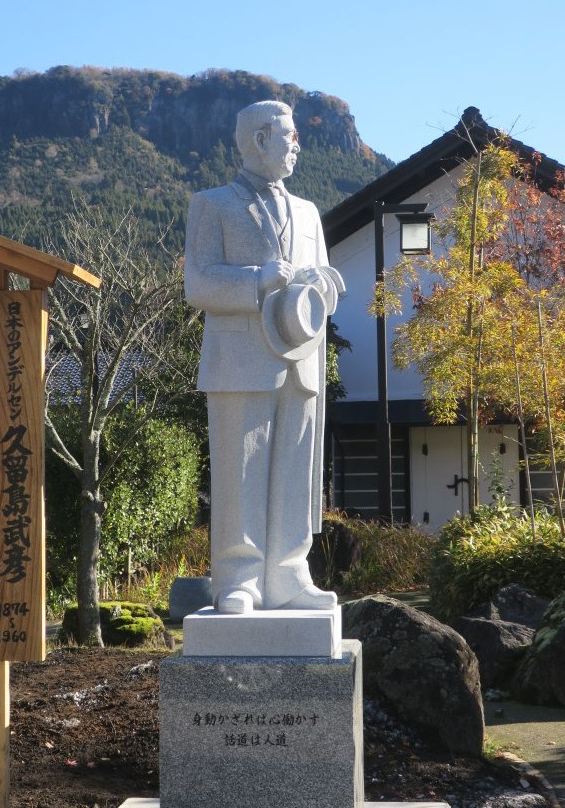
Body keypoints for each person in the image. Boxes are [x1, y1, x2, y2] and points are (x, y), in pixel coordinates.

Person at [185, 100, 345, 615]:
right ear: (259, 139)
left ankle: (291, 572)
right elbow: (199, 282)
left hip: (300, 356)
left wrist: (324, 284)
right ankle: (239, 578)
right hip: (239, 360)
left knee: (297, 471)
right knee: (240, 470)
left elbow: (325, 281)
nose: (298, 144)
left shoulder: (308, 213)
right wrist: (257, 279)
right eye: (290, 135)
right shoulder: (212, 205)